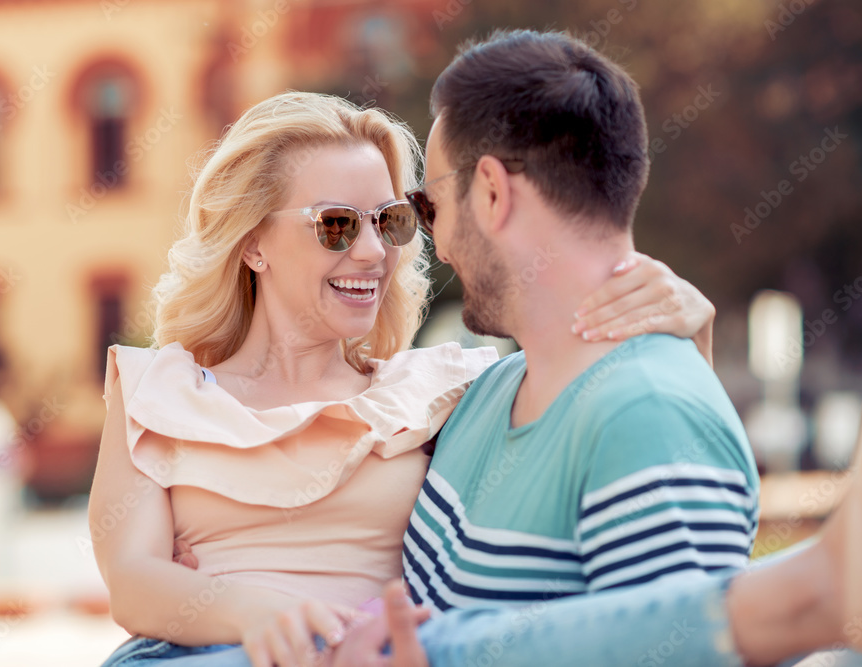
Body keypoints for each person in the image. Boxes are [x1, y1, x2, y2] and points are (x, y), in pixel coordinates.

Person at [89, 89, 717, 667]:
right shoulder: (156, 389)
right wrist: (266, 615)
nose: (371, 252)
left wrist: (689, 331)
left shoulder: (439, 392)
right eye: (335, 223)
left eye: (388, 222)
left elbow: (626, 423)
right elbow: (135, 583)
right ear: (253, 244)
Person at [321, 29, 862, 667]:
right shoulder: (489, 391)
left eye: (428, 207)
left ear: (490, 192)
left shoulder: (648, 417)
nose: (434, 242)